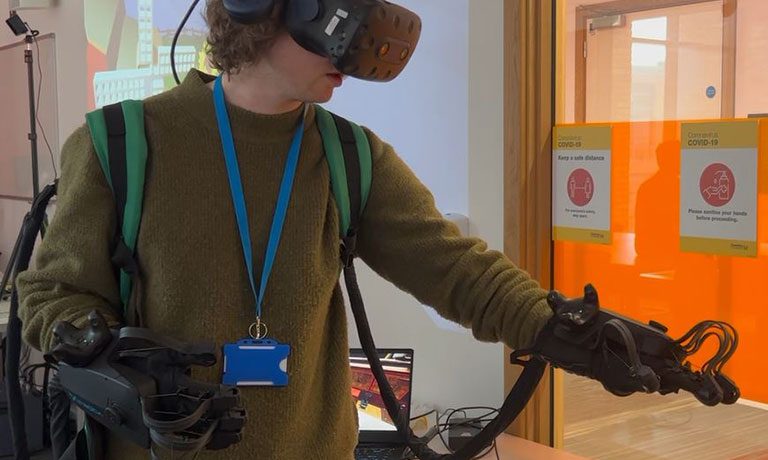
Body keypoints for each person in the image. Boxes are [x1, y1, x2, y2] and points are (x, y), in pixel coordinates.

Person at [16, 1, 553, 459]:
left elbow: (458, 271)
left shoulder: (352, 157)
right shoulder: (119, 143)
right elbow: (52, 294)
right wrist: (117, 360)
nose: (360, 53)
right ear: (263, 10)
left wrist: (563, 328)